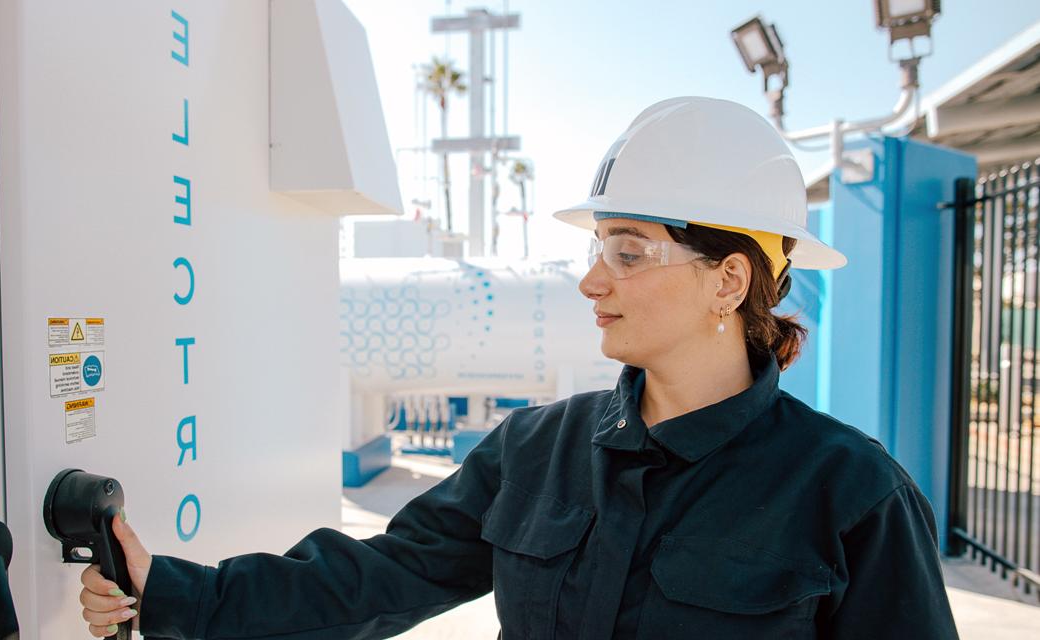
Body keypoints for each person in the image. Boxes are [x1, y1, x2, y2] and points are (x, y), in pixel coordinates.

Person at [77, 97, 959, 639]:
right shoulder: (540, 448)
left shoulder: (852, 495)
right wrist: (175, 592)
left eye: (628, 251)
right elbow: (379, 579)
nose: (590, 278)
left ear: (729, 280)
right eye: (596, 248)